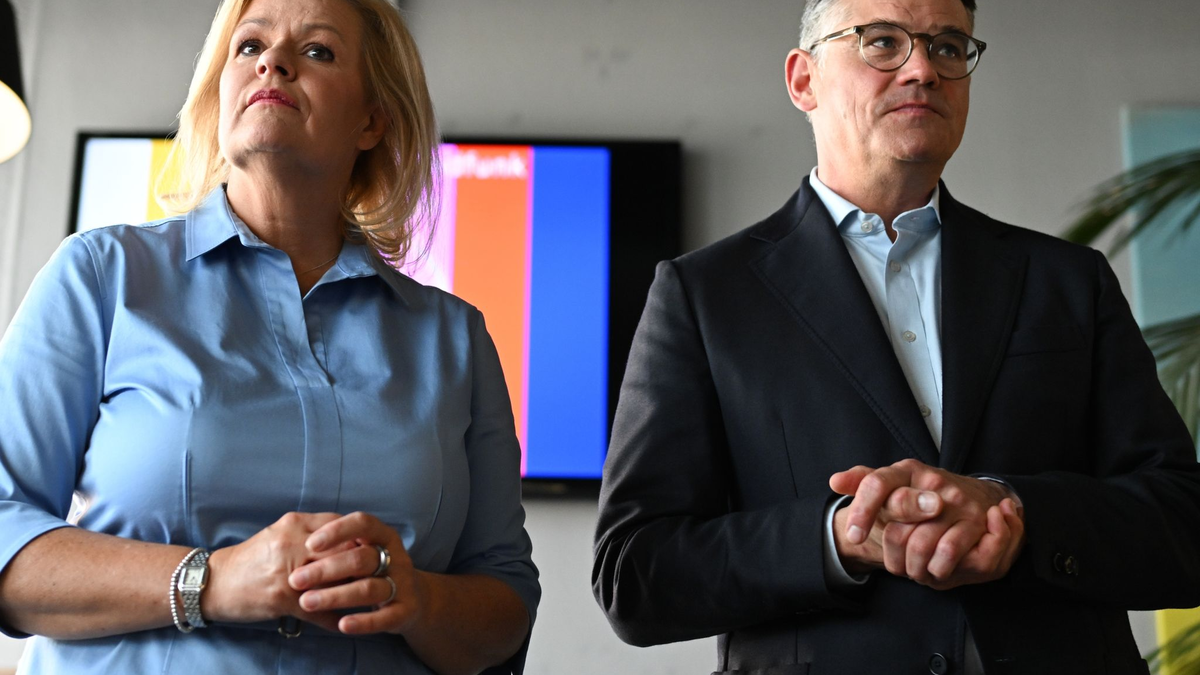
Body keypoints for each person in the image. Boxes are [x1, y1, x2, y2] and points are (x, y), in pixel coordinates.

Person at [592, 0, 1200, 672]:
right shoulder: (703, 295)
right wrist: (840, 536)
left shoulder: (1067, 279)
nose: (923, 69)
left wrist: (1016, 511)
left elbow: (1183, 522)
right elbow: (634, 573)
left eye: (947, 47)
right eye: (882, 42)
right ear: (803, 80)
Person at [0, 0, 538, 673]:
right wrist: (214, 580)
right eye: (248, 45)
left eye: (318, 52)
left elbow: (506, 602)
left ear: (372, 120)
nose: (272, 61)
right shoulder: (100, 277)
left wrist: (420, 598)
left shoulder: (455, 338)